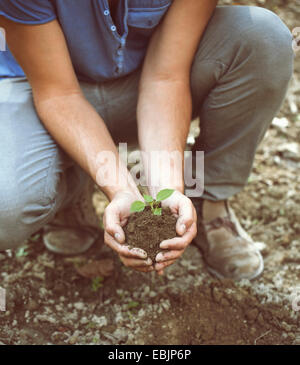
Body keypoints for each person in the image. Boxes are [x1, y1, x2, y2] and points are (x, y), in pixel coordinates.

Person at [0, 0, 294, 280]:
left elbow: (165, 77)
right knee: (7, 205)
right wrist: (120, 189)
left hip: (140, 82)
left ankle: (207, 203)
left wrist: (169, 188)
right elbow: (59, 95)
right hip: (43, 87)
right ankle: (71, 187)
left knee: (261, 38)